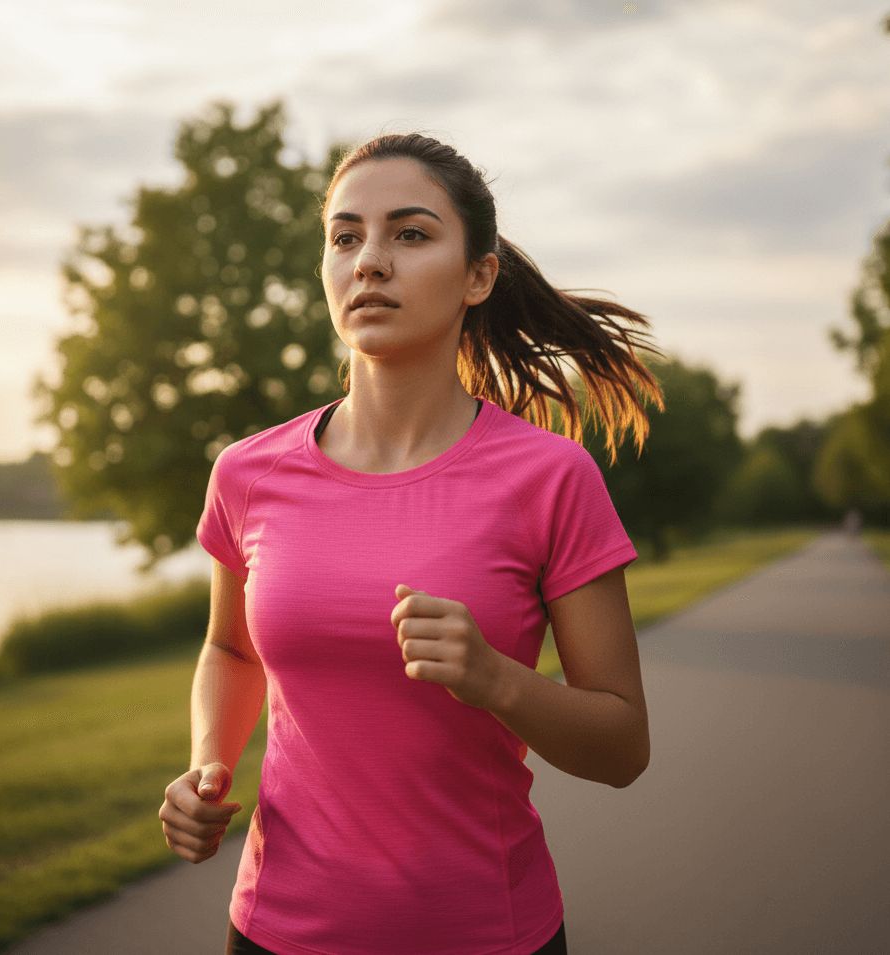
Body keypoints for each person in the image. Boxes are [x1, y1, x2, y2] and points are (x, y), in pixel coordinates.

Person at [158, 132, 666, 955]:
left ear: (478, 275)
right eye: (345, 236)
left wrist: (494, 678)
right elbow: (230, 647)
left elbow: (621, 747)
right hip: (275, 932)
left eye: (411, 233)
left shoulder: (549, 477)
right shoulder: (246, 472)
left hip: (489, 934)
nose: (369, 261)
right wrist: (206, 764)